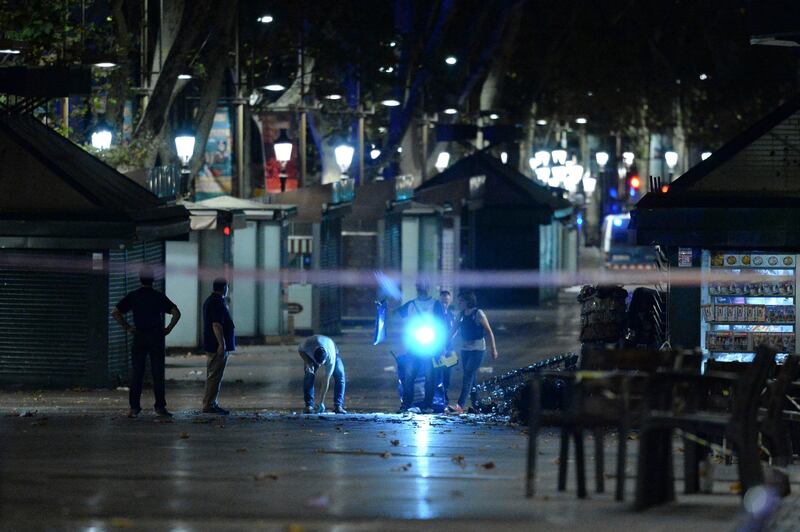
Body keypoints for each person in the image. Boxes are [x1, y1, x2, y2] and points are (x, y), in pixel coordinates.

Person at [111, 266, 181, 418]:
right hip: (156, 337)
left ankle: (134, 408)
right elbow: (176, 312)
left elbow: (115, 312)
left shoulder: (134, 296)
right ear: (153, 280)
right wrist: (168, 328)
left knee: (137, 373)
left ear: (140, 279)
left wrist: (128, 327)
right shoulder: (158, 296)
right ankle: (160, 407)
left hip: (140, 337)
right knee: (157, 373)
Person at [449, 291, 499, 414]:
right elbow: (452, 331)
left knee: (467, 377)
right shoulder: (460, 315)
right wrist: (445, 344)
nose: (459, 303)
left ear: (468, 301)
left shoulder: (478, 313)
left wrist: (493, 348)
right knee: (471, 378)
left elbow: (489, 331)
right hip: (465, 350)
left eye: (461, 301)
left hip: (477, 350)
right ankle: (477, 406)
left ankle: (459, 405)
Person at [396, 283, 443, 414]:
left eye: (424, 288)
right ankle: (406, 404)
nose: (423, 290)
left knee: (430, 377)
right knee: (409, 376)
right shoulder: (410, 305)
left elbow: (442, 325)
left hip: (431, 346)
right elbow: (396, 316)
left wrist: (442, 347)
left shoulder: (436, 305)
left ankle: (427, 404)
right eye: (421, 288)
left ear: (429, 288)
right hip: (414, 346)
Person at [202, 278, 235, 415]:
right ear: (224, 288)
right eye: (227, 287)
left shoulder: (211, 300)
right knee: (214, 376)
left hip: (212, 344)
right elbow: (216, 324)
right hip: (216, 346)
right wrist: (222, 344)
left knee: (214, 375)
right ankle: (209, 405)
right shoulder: (217, 302)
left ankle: (211, 403)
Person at [298, 335, 347, 414]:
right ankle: (308, 406)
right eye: (318, 363)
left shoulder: (331, 358)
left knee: (340, 375)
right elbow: (300, 350)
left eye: (322, 363)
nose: (320, 365)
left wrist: (321, 402)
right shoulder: (307, 345)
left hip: (333, 350)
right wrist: (308, 362)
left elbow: (326, 380)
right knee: (309, 374)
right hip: (313, 349)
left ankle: (338, 406)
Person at [436, 290, 456, 404]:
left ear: (450, 301)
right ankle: (439, 396)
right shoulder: (437, 315)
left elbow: (455, 330)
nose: (445, 302)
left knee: (447, 374)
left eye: (447, 300)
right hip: (438, 349)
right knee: (439, 373)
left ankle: (445, 395)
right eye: (443, 300)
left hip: (450, 349)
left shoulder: (451, 315)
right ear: (440, 300)